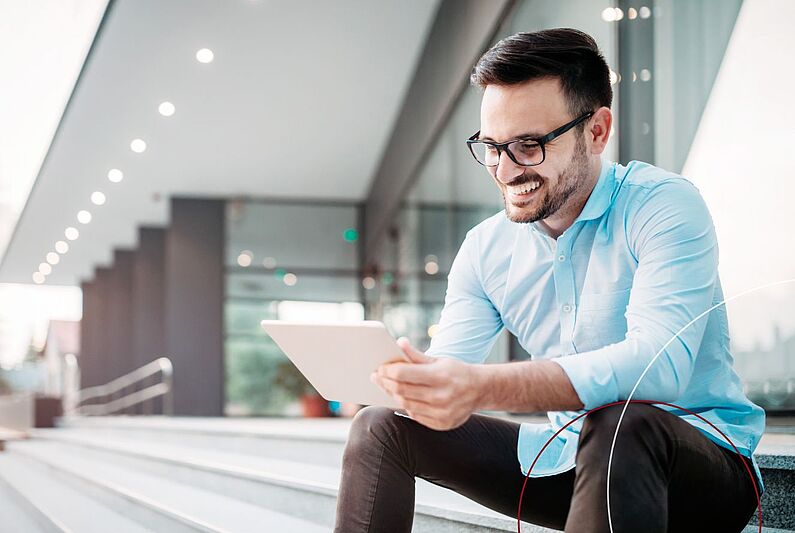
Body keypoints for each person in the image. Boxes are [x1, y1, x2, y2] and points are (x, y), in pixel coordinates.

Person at [334, 28, 764, 533]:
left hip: (696, 468)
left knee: (621, 420)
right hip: (570, 459)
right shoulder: (485, 248)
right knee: (382, 426)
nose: (505, 170)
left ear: (597, 131)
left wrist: (478, 386)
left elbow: (658, 367)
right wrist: (416, 384)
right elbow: (452, 369)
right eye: (492, 147)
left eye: (529, 145)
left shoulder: (663, 204)